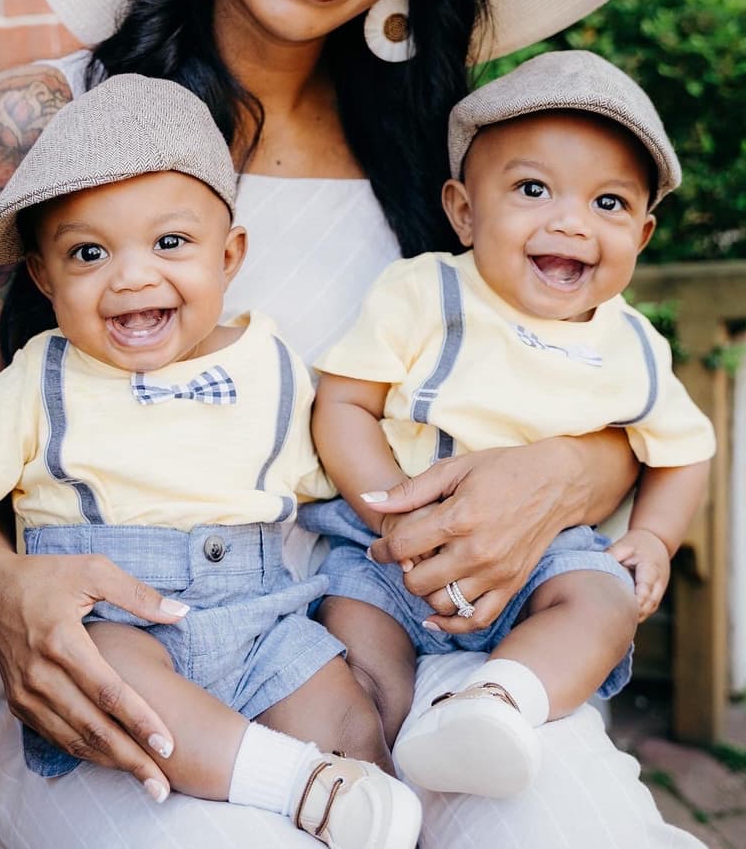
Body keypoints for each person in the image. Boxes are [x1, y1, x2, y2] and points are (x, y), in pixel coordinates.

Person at [0, 0, 707, 844]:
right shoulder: (39, 126)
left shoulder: (440, 157)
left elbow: (578, 377)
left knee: (566, 823)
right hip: (139, 657)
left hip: (412, 635)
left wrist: (576, 468)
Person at [0, 75, 421, 848]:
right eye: (89, 252)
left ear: (230, 254)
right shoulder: (40, 382)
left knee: (345, 711)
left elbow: (335, 480)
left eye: (170, 242)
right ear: (43, 277)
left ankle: (352, 791)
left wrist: (407, 524)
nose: (133, 274)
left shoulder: (269, 364)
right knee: (123, 693)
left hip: (261, 618)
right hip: (114, 619)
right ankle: (290, 781)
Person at [305, 49, 716, 800]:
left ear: (644, 235)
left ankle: (498, 705)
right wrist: (393, 508)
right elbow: (345, 403)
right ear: (464, 210)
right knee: (356, 648)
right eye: (533, 189)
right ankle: (377, 770)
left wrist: (655, 536)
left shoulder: (633, 347)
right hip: (389, 557)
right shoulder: (425, 292)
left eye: (610, 203)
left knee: (603, 605)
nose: (571, 221)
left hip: (547, 563)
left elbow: (685, 451)